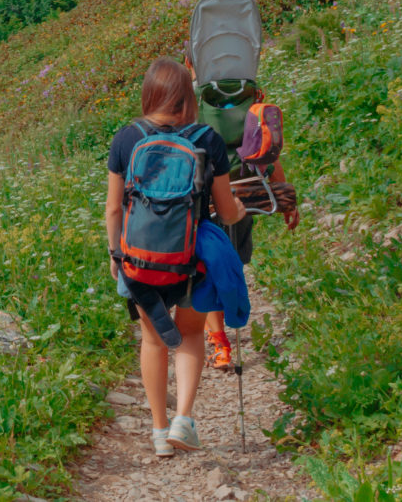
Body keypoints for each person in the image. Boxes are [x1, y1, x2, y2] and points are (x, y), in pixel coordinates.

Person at [106, 58, 246, 456]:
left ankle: (157, 431)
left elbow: (114, 209)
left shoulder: (126, 138)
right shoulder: (208, 138)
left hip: (141, 259)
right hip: (192, 259)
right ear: (188, 94)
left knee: (152, 340)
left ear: (149, 93)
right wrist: (240, 208)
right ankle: (183, 420)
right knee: (188, 333)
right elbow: (226, 209)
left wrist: (116, 253)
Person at [184, 53, 301, 370]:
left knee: (208, 268)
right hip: (246, 194)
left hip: (203, 199)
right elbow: (267, 148)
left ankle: (219, 342)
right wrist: (285, 197)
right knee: (233, 261)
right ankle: (224, 330)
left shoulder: (194, 101)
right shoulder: (248, 95)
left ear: (191, 65)